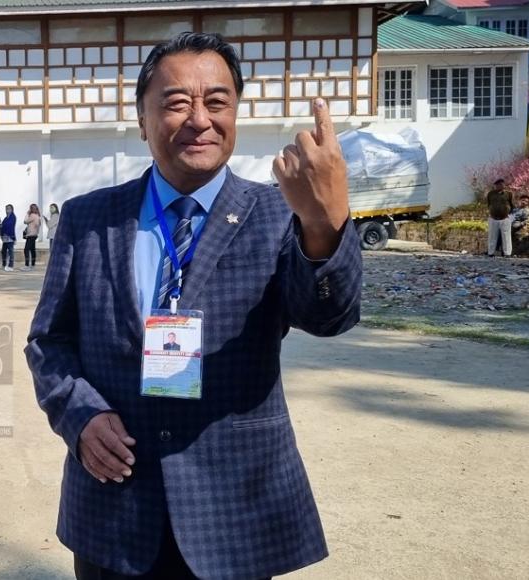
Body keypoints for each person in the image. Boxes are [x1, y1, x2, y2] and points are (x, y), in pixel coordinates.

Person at [26, 33, 361, 580]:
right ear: (141, 119)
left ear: (236, 114)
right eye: (177, 101)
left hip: (235, 508)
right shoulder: (89, 220)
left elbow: (329, 317)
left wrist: (324, 222)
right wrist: (79, 416)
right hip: (114, 507)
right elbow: (49, 341)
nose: (198, 119)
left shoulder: (277, 216)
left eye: (217, 101)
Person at [485, 179, 513, 257]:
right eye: (497, 185)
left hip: (505, 217)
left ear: (504, 185)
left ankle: (507, 253)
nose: (499, 186)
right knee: (492, 236)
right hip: (493, 217)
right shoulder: (491, 194)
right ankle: (491, 252)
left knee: (506, 236)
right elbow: (489, 203)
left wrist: (509, 213)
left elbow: (511, 204)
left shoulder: (509, 194)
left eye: (501, 184)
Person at [23, 203, 41, 270]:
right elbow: (38, 226)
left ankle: (27, 265)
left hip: (30, 235)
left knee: (26, 250)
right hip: (35, 234)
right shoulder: (37, 216)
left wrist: (27, 214)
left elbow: (25, 221)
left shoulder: (32, 215)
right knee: (32, 250)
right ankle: (33, 265)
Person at [0, 203, 17, 272]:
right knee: (3, 251)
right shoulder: (5, 218)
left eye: (9, 209)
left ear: (12, 210)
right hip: (5, 237)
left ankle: (11, 265)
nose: (7, 210)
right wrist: (1, 227)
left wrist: (3, 226)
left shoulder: (13, 217)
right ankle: (4, 264)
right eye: (6, 209)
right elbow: (2, 225)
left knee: (10, 251)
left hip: (10, 236)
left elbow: (9, 225)